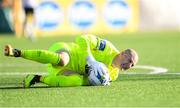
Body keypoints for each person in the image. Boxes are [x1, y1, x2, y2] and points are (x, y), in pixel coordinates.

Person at [4, 34, 138, 88]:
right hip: (67, 51)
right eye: (130, 61)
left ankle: (36, 79)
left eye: (133, 65)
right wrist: (90, 59)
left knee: (77, 81)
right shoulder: (106, 47)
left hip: (67, 72)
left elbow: (87, 81)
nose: (130, 66)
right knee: (62, 60)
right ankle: (17, 52)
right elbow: (81, 39)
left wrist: (93, 80)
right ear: (123, 53)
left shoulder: (113, 75)